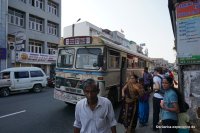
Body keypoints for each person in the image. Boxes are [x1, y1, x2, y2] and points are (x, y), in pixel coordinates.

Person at [152, 67, 164, 131]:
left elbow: (157, 87)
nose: (154, 72)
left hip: (157, 97)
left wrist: (152, 89)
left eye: (154, 71)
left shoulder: (156, 77)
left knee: (156, 113)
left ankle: (155, 127)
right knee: (164, 113)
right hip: (164, 97)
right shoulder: (164, 76)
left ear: (157, 71)